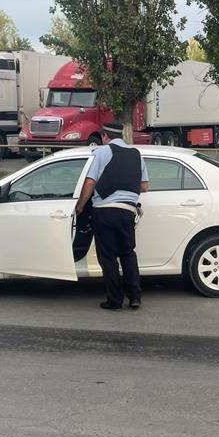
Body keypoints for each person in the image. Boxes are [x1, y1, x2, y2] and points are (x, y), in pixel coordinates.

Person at [74, 121, 149, 311]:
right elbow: (145, 186)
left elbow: (90, 183)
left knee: (107, 257)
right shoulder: (136, 155)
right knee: (127, 253)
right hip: (128, 211)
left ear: (104, 136)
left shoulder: (101, 152)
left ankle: (115, 300)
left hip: (105, 211)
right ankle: (135, 297)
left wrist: (81, 205)